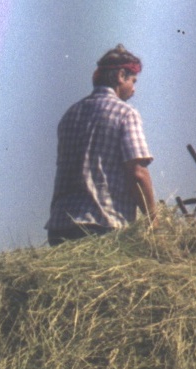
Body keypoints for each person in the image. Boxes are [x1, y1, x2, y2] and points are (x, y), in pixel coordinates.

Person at [45, 44, 155, 245]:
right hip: (103, 224)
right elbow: (138, 172)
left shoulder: (70, 114)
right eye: (133, 81)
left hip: (60, 227)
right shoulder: (125, 114)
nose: (134, 89)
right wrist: (152, 218)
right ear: (121, 76)